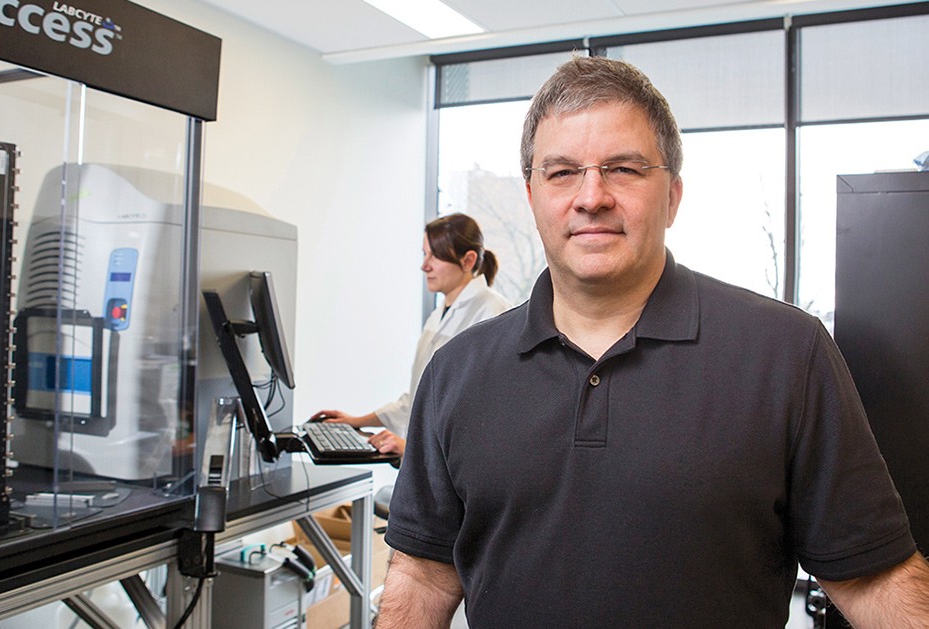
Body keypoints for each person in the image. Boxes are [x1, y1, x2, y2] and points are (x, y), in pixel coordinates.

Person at [376, 57, 929, 628]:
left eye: (623, 169)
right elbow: (421, 573)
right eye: (562, 172)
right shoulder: (458, 371)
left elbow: (875, 577)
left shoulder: (787, 354)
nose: (591, 197)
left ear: (673, 196)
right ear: (532, 196)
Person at [310, 213, 511, 456]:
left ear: (468, 260)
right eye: (425, 254)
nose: (425, 265)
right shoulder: (439, 315)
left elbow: (482, 416)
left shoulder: (492, 312)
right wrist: (357, 421)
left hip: (455, 469)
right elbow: (419, 398)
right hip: (426, 461)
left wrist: (410, 449)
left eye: (435, 255)